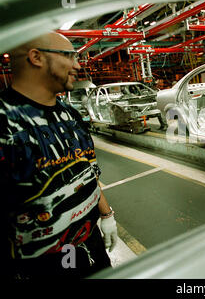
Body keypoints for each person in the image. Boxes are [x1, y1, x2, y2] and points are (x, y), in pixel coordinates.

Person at [0, 32, 117, 279]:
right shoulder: (5, 121)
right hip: (40, 266)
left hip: (90, 246)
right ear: (36, 57)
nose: (78, 64)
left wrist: (106, 215)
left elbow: (89, 173)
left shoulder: (70, 115)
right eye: (70, 56)